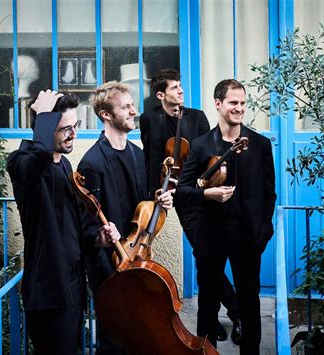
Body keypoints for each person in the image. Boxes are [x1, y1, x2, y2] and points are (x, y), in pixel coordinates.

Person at [7, 90, 120, 355]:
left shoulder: (66, 166)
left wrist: (97, 238)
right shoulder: (21, 162)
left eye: (75, 126)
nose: (73, 134)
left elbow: (75, 226)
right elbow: (38, 158)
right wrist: (44, 115)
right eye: (64, 129)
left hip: (73, 286)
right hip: (47, 291)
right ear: (44, 129)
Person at [140, 68, 242, 343]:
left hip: (203, 192)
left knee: (204, 256)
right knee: (204, 253)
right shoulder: (150, 119)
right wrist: (155, 195)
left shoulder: (196, 117)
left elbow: (212, 151)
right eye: (174, 88)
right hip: (179, 195)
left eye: (180, 86)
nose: (181, 91)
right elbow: (151, 159)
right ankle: (231, 313)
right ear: (161, 94)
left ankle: (217, 317)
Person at [176, 79, 277, 354]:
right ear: (218, 104)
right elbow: (183, 191)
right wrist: (208, 195)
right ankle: (206, 351)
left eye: (243, 103)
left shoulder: (259, 144)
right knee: (208, 303)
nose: (239, 108)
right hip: (212, 234)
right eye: (233, 103)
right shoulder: (201, 145)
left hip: (248, 236)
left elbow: (270, 193)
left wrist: (264, 231)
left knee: (249, 302)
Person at [77, 81, 173, 354]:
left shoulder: (138, 155)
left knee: (138, 332)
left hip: (138, 258)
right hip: (109, 266)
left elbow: (145, 206)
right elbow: (85, 228)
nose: (134, 111)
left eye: (133, 105)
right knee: (114, 338)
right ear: (106, 115)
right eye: (126, 107)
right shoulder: (92, 162)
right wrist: (101, 237)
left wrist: (162, 201)